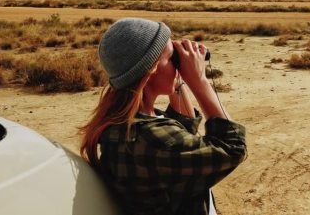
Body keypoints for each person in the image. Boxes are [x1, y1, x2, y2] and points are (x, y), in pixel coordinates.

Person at [80, 18, 247, 215]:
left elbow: (183, 128)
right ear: (150, 70)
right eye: (171, 58)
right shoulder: (148, 138)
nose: (177, 63)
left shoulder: (130, 120)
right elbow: (233, 147)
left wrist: (177, 75)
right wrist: (199, 81)